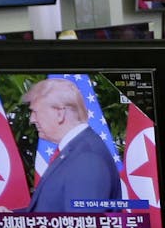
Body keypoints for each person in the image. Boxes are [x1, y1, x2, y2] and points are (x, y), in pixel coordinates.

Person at [21, 77, 122, 214]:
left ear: (60, 113)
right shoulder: (75, 150)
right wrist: (10, 217)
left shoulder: (86, 159)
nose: (32, 119)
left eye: (35, 112)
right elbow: (53, 212)